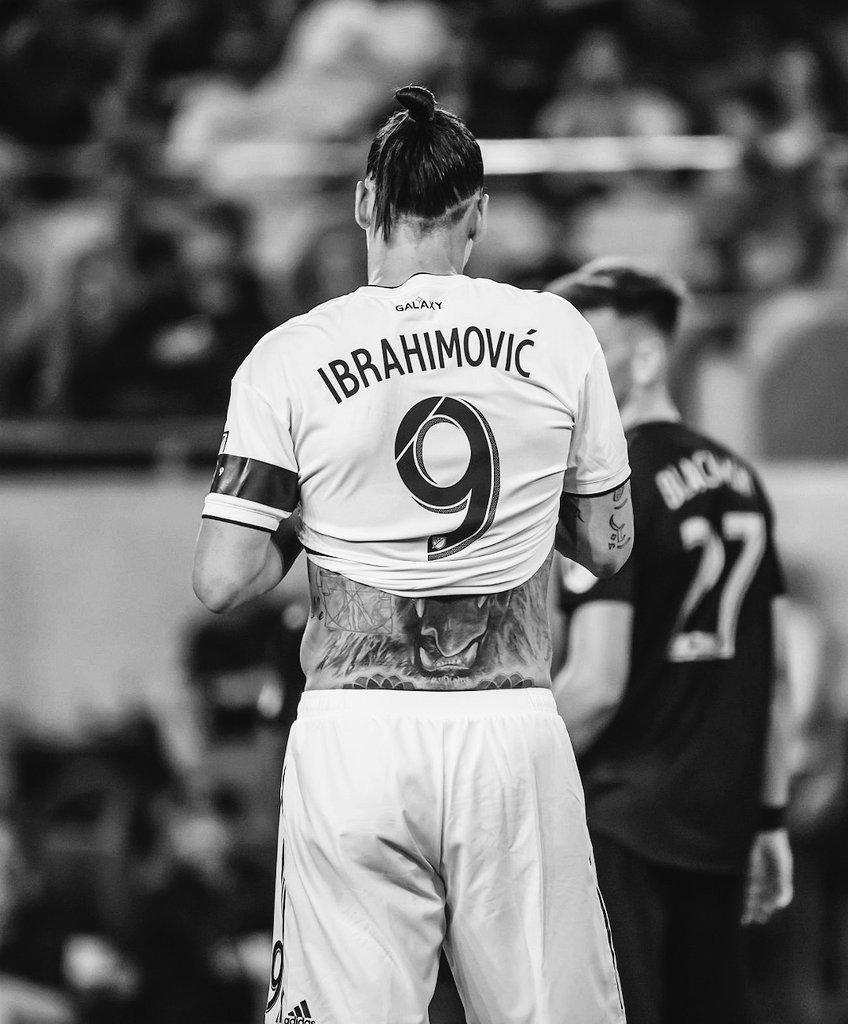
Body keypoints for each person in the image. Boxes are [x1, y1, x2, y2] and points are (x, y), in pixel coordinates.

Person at [192, 85, 633, 1024]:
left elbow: (222, 578)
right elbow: (607, 543)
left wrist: (316, 521)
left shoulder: (288, 355)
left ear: (365, 203)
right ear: (479, 213)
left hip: (354, 732)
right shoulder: (558, 332)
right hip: (509, 725)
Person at [545, 259, 794, 1024]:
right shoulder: (741, 478)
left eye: (589, 350)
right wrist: (770, 820)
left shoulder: (607, 490)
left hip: (625, 826)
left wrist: (504, 779)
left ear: (647, 357)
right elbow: (775, 678)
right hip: (719, 826)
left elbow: (595, 684)